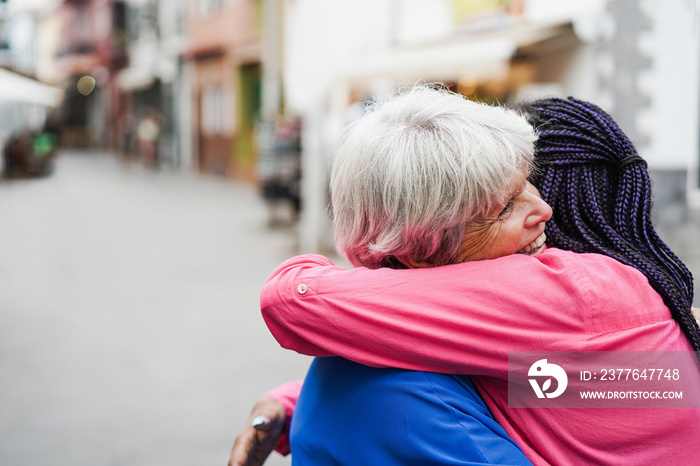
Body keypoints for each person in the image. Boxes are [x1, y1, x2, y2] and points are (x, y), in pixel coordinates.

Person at [230, 88, 700, 465]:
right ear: (420, 247)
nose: (544, 210)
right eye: (504, 206)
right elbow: (559, 381)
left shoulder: (569, 300)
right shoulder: (598, 309)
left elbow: (294, 298)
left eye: (528, 182)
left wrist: (294, 402)